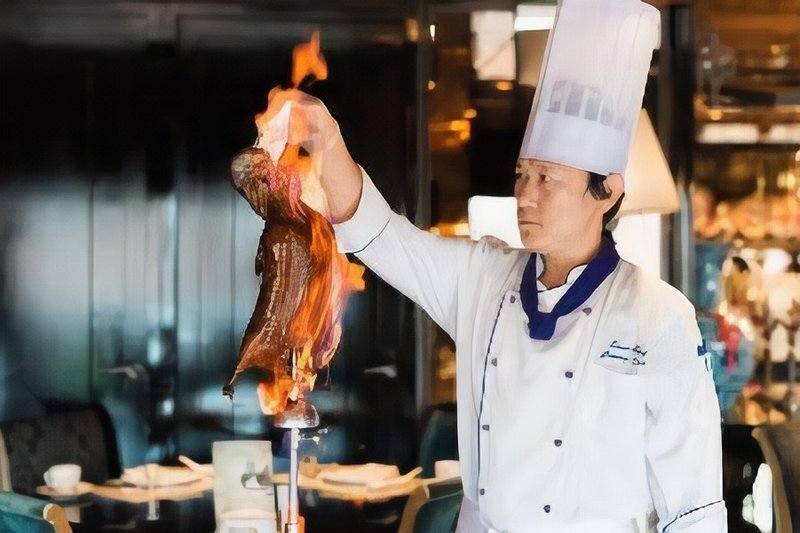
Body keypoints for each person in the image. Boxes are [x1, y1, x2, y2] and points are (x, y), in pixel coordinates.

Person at [261, 0, 726, 530]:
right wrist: (326, 137)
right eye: (522, 175)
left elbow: (694, 507)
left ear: (607, 191)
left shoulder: (659, 316)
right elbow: (379, 234)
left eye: (547, 178)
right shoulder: (482, 278)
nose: (525, 195)